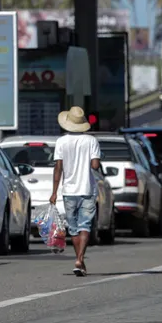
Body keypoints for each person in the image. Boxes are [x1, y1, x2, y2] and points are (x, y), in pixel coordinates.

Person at [48, 106, 102, 277]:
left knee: (73, 228)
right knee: (85, 225)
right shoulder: (91, 141)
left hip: (69, 190)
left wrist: (54, 191)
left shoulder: (61, 142)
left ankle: (79, 259)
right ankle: (80, 260)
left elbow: (58, 168)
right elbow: (95, 165)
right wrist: (95, 161)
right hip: (87, 188)